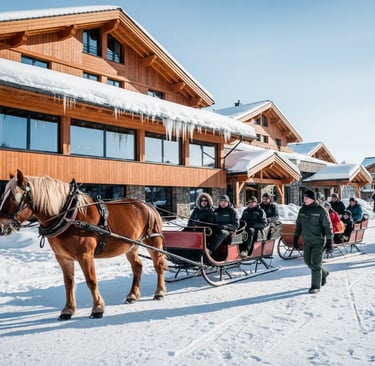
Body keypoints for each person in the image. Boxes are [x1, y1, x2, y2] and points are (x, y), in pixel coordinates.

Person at [293, 189, 333, 294]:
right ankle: (323, 273)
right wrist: (295, 238)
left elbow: (327, 226)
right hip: (307, 241)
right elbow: (299, 225)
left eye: (306, 198)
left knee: (315, 264)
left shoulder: (320, 210)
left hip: (318, 241)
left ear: (312, 199)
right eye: (304, 197)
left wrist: (330, 241)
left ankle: (315, 286)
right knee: (307, 261)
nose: (304, 199)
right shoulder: (302, 210)